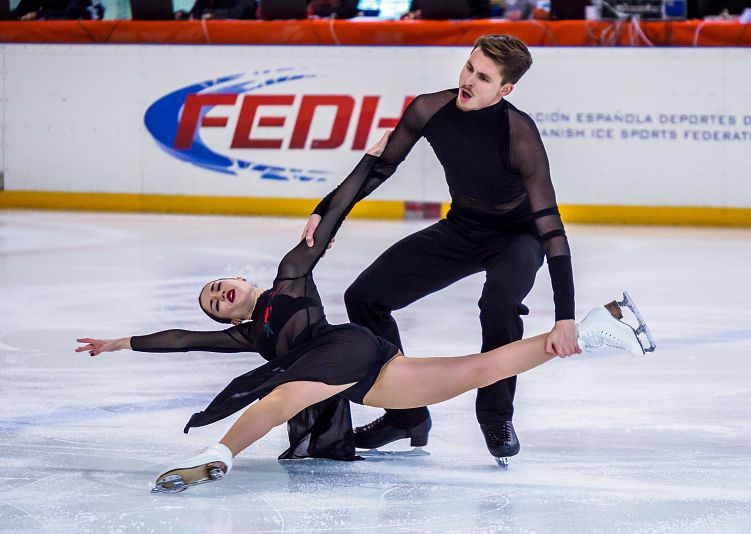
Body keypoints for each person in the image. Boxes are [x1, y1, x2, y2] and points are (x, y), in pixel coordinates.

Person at [76, 132, 653, 494]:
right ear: (229, 321)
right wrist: (120, 343)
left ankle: (217, 454)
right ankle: (604, 325)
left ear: (240, 279)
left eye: (217, 285)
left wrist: (359, 170)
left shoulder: (289, 279)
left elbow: (323, 230)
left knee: (280, 398)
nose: (218, 295)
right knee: (481, 369)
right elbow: (183, 340)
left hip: (344, 348)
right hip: (366, 372)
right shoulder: (251, 338)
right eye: (213, 305)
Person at [300, 34, 573, 463]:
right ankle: (405, 414)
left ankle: (496, 414)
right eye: (468, 67)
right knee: (365, 297)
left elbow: (551, 229)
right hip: (462, 229)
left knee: (499, 306)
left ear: (505, 90)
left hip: (517, 238)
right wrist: (325, 213)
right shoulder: (430, 109)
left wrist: (565, 317)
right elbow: (378, 168)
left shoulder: (519, 134)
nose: (467, 80)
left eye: (482, 78)